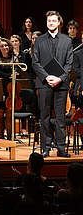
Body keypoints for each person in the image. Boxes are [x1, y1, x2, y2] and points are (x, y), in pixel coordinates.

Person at [32, 10, 73, 158]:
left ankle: (61, 148)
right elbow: (35, 63)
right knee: (45, 117)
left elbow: (69, 64)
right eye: (49, 21)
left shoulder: (67, 41)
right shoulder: (39, 40)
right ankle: (46, 148)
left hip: (61, 85)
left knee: (61, 118)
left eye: (54, 21)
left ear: (59, 22)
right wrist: (47, 77)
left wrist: (60, 78)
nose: (51, 23)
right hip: (44, 84)